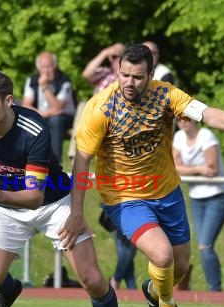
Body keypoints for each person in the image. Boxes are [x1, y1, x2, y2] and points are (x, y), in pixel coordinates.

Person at [60, 44, 224, 307]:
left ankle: (154, 294)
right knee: (162, 254)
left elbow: (208, 114)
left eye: (137, 77)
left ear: (151, 75)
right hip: (124, 197)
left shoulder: (167, 95)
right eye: (124, 75)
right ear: (118, 71)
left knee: (179, 267)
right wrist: (76, 213)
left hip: (167, 192)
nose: (129, 83)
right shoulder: (99, 108)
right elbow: (81, 163)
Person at [0, 70, 134, 307]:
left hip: (52, 204)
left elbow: (33, 197)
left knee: (90, 278)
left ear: (9, 101)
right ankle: (10, 290)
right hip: (4, 205)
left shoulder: (35, 129)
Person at [83, 42, 138, 289]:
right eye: (114, 59)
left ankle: (121, 281)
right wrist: (105, 53)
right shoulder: (103, 94)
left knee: (129, 239)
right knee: (124, 238)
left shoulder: (138, 96)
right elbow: (86, 74)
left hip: (135, 178)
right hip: (114, 179)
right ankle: (125, 282)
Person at [173, 117, 224, 292]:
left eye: (187, 118)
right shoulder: (178, 138)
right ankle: (194, 286)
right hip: (196, 197)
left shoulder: (206, 136)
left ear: (195, 120)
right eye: (179, 119)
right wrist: (199, 169)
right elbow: (174, 167)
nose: (183, 122)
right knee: (199, 246)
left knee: (205, 246)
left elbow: (212, 169)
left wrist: (187, 169)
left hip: (217, 196)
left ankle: (215, 291)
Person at [22, 51, 76, 163]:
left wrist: (45, 87)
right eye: (43, 67)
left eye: (49, 66)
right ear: (38, 67)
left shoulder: (64, 81)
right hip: (44, 115)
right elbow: (26, 105)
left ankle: (56, 163)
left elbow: (57, 107)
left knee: (56, 120)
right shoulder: (32, 80)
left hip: (65, 117)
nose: (46, 70)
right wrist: (43, 114)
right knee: (26, 119)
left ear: (55, 66)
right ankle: (28, 161)